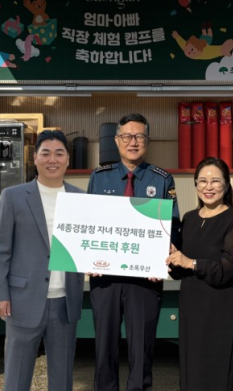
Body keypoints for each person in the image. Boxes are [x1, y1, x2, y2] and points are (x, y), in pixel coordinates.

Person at [87, 113, 181, 391]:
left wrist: (162, 261)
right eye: (127, 136)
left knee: (142, 349)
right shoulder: (99, 177)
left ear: (147, 141)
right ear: (117, 141)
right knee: (104, 347)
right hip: (105, 277)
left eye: (139, 136)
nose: (133, 142)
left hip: (145, 280)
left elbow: (172, 226)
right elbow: (89, 223)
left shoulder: (162, 179)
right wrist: (87, 257)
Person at [0, 129, 85, 391]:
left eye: (59, 153)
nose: (52, 159)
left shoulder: (81, 199)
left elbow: (87, 246)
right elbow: (0, 249)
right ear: (35, 158)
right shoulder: (13, 196)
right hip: (23, 300)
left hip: (65, 301)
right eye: (46, 153)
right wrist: (0, 293)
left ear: (68, 159)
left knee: (62, 379)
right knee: (17, 378)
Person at [166, 157, 233, 391]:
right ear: (196, 184)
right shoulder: (189, 219)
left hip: (218, 309)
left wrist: (191, 262)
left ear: (227, 185)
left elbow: (226, 268)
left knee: (215, 372)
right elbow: (179, 272)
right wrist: (173, 258)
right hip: (190, 307)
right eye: (202, 181)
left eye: (215, 181)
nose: (208, 187)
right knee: (191, 373)